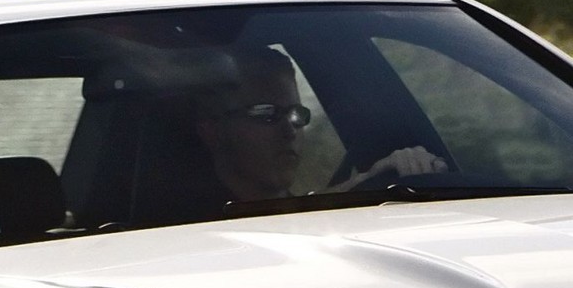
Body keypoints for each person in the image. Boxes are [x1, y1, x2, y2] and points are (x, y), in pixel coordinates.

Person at [190, 46, 447, 204]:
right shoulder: (189, 231)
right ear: (211, 130)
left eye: (296, 114)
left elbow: (299, 209)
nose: (289, 131)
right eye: (266, 114)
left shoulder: (309, 213)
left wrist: (373, 178)